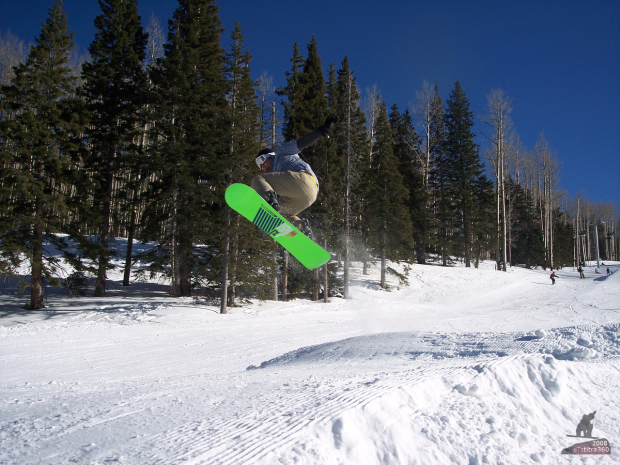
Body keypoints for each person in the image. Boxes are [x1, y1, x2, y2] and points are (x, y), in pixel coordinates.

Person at [252, 114, 339, 238]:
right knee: (282, 215)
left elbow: (301, 143)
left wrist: (320, 131)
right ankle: (302, 229)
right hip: (310, 195)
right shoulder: (276, 178)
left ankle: (268, 205)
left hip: (304, 180)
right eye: (258, 165)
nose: (261, 166)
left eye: (261, 161)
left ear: (270, 155)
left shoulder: (280, 153)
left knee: (257, 179)